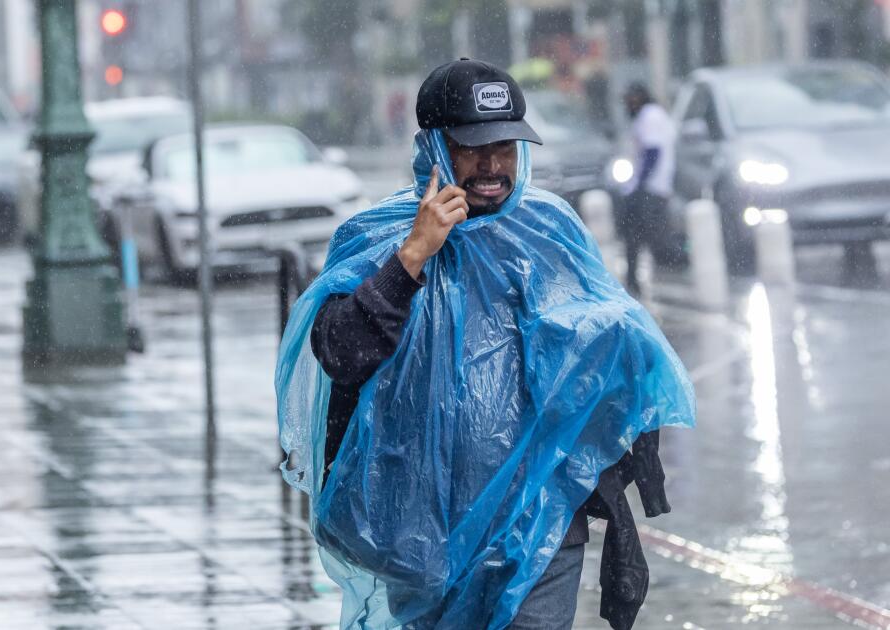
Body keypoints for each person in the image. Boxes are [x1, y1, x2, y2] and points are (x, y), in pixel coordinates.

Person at [276, 59, 694, 629]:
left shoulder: (551, 231)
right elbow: (342, 352)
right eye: (473, 148)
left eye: (506, 146)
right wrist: (414, 255)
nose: (493, 165)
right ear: (435, 148)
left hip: (539, 525)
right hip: (421, 533)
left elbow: (609, 361)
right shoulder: (379, 236)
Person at [620, 83, 676, 294]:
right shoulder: (652, 115)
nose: (628, 105)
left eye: (631, 100)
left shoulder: (650, 116)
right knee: (638, 236)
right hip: (652, 188)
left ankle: (635, 281)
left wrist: (638, 184)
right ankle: (633, 280)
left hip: (650, 189)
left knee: (645, 238)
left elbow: (653, 152)